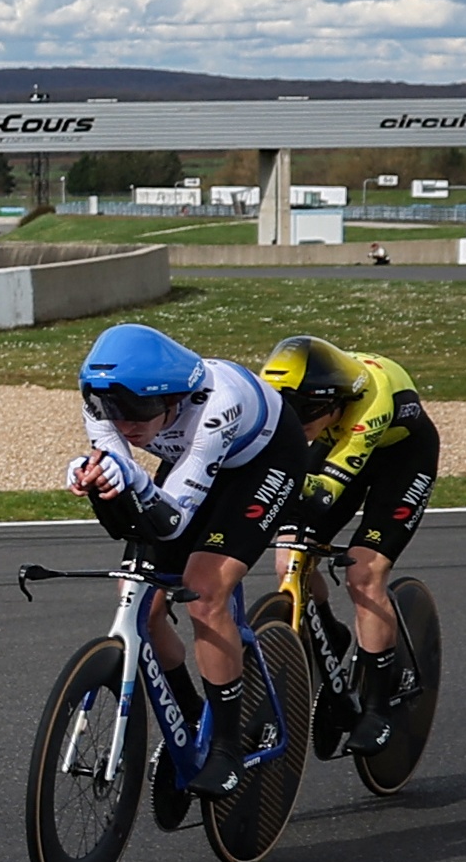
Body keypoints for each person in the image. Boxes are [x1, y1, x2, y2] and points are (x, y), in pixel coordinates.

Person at [66, 322, 306, 796]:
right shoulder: (102, 403)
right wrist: (97, 475)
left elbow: (172, 518)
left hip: (265, 460)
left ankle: (227, 746)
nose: (123, 423)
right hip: (197, 459)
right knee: (142, 602)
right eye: (110, 409)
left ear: (174, 398)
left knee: (205, 592)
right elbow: (124, 485)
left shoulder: (217, 405)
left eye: (136, 408)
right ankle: (192, 717)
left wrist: (131, 481)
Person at [259, 335, 439, 749]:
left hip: (402, 458)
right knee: (288, 556)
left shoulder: (368, 404)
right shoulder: (310, 403)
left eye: (303, 417)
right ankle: (328, 627)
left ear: (332, 404)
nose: (293, 425)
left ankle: (377, 707)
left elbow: (323, 495)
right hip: (336, 441)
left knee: (363, 573)